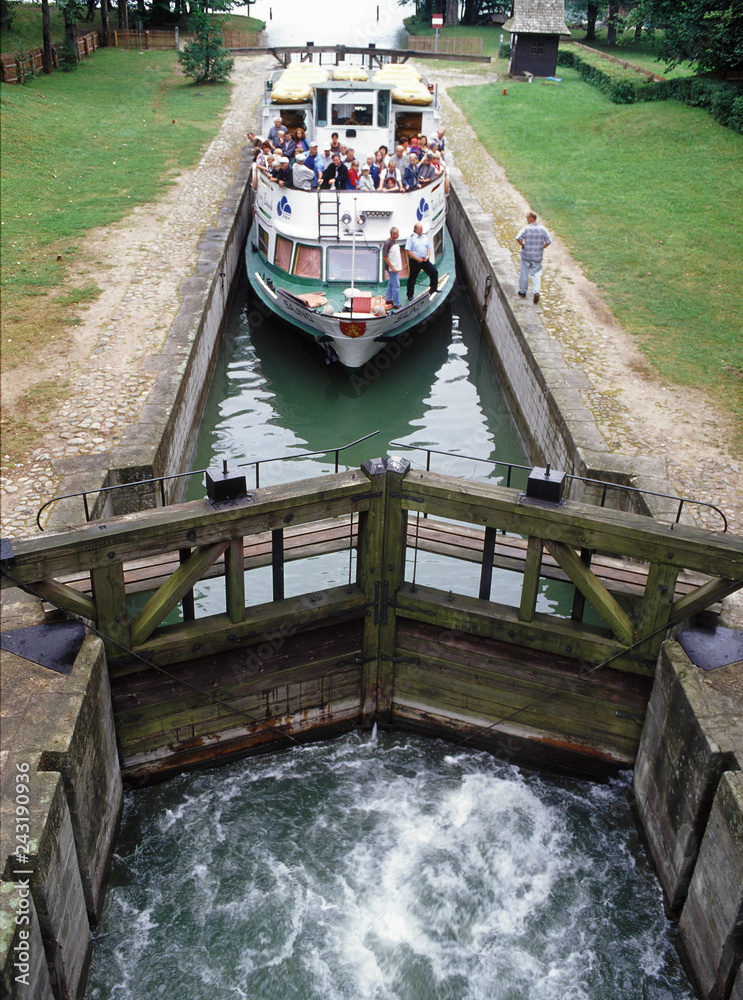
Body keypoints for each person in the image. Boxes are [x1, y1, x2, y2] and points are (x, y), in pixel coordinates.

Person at [515, 210, 552, 304]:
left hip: (526, 255)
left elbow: (518, 238)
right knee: (536, 274)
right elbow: (549, 241)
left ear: (531, 219)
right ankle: (536, 291)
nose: (527, 220)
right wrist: (542, 247)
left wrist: (523, 245)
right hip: (537, 256)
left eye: (527, 218)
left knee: (524, 273)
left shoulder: (526, 228)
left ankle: (522, 291)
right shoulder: (543, 229)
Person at [405, 222, 438, 299]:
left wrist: (427, 256)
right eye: (420, 229)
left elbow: (428, 248)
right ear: (415, 229)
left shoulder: (425, 237)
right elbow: (408, 251)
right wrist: (417, 259)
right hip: (415, 261)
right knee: (412, 278)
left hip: (424, 260)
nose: (421, 230)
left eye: (422, 228)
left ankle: (433, 289)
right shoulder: (411, 239)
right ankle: (410, 295)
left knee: (434, 272)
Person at [382, 226, 402, 309]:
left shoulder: (395, 241)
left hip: (396, 267)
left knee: (391, 283)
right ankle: (396, 303)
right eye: (397, 234)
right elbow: (385, 257)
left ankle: (388, 298)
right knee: (396, 286)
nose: (398, 235)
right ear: (392, 234)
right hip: (393, 268)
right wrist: (392, 267)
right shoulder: (387, 243)